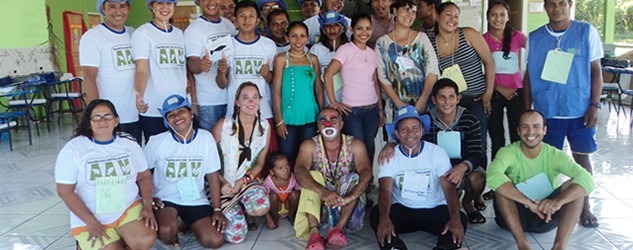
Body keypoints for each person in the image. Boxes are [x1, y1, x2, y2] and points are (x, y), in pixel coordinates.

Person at [523, 0, 603, 229]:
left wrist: (595, 105)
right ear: (545, 7)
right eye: (551, 4)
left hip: (579, 111)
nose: (557, 8)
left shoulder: (586, 32)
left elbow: (596, 70)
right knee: (545, 164)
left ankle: (584, 206)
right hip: (547, 112)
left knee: (582, 160)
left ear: (569, 5)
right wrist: (529, 110)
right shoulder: (535, 37)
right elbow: (528, 76)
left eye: (562, 3)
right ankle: (546, 206)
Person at [378, 79, 486, 225]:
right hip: (438, 170)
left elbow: (477, 153)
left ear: (458, 99)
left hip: (462, 167)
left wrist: (462, 167)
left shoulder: (470, 120)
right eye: (442, 97)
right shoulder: (427, 120)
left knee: (477, 178)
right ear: (434, 100)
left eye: (451, 97)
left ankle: (467, 203)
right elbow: (409, 138)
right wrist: (390, 145)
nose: (447, 102)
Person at [55, 99, 157, 250]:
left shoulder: (129, 144)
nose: (102, 121)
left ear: (116, 121)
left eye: (108, 116)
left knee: (145, 240)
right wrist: (90, 221)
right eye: (96, 117)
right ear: (89, 123)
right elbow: (64, 190)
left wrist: (148, 205)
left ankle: (123, 238)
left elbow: (144, 176)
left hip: (127, 209)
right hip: (92, 215)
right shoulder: (74, 149)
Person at [487, 110, 595, 250]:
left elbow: (587, 179)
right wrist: (528, 202)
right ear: (518, 131)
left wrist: (558, 202)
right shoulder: (508, 152)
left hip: (546, 214)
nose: (530, 131)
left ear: (544, 130)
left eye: (536, 126)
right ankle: (523, 244)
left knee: (575, 186)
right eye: (525, 126)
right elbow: (492, 176)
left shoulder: (555, 154)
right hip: (512, 215)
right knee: (501, 186)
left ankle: (559, 246)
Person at [371, 105, 466, 250]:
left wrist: (455, 219)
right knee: (377, 215)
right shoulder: (389, 156)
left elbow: (448, 187)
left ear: (422, 130)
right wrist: (385, 219)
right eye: (404, 129)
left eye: (415, 128)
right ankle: (395, 247)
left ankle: (445, 247)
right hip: (404, 209)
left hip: (435, 209)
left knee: (459, 218)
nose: (410, 133)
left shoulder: (437, 152)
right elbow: (385, 189)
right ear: (396, 133)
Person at [143, 95, 228, 248]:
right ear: (166, 121)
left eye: (181, 111)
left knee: (215, 240)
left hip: (195, 198)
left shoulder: (205, 138)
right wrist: (149, 199)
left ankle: (186, 222)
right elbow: (143, 174)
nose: (177, 117)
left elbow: (212, 176)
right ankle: (174, 227)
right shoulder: (157, 141)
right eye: (171, 115)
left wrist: (217, 209)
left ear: (191, 114)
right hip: (166, 199)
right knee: (166, 230)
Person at [294, 107, 372, 250]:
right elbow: (299, 171)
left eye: (333, 120)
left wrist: (350, 197)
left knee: (354, 177)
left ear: (341, 125)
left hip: (348, 210)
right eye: (323, 121)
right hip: (322, 209)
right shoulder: (310, 145)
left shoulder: (355, 144)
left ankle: (338, 229)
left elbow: (366, 173)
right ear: (318, 126)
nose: (328, 124)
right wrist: (322, 191)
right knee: (310, 176)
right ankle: (315, 233)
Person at [432, 2, 494, 164]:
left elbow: (489, 62)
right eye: (448, 15)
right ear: (437, 17)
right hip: (449, 101)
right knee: (452, 141)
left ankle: (478, 179)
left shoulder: (468, 34)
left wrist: (488, 93)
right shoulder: (432, 44)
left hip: (476, 98)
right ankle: (456, 182)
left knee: (479, 142)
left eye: (456, 16)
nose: (453, 19)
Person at [212, 83, 272, 243]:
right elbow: (208, 160)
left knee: (261, 207)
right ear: (237, 102)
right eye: (245, 97)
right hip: (221, 183)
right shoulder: (223, 125)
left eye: (255, 97)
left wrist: (243, 180)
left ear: (260, 101)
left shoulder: (264, 127)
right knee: (236, 237)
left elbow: (260, 162)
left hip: (244, 181)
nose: (251, 102)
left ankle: (243, 206)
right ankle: (232, 208)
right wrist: (222, 182)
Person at [324, 13, 385, 163]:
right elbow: (328, 75)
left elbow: (375, 81)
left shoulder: (372, 53)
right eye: (359, 28)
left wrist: (380, 109)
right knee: (356, 149)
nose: (364, 32)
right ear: (351, 29)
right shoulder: (345, 49)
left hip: (371, 109)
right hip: (352, 110)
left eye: (368, 29)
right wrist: (333, 102)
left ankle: (367, 183)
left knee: (369, 147)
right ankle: (354, 183)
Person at [216, 0, 277, 151]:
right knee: (236, 155)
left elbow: (274, 81)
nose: (247, 20)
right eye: (242, 16)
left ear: (257, 20)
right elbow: (222, 83)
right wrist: (222, 71)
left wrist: (267, 74)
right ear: (235, 20)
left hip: (263, 110)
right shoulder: (226, 45)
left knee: (265, 154)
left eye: (251, 16)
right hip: (235, 112)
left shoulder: (269, 45)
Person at [81, 0, 142, 143]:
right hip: (110, 119)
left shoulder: (134, 34)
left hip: (135, 114)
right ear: (103, 8)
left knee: (134, 158)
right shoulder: (93, 37)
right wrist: (95, 116)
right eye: (112, 7)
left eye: (122, 6)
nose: (118, 12)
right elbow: (89, 78)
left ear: (129, 8)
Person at [132, 0, 187, 143]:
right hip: (155, 108)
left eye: (169, 3)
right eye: (160, 3)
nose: (165, 8)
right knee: (157, 154)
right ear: (151, 6)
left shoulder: (180, 34)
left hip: (180, 107)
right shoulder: (143, 33)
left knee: (179, 152)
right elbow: (141, 70)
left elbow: (183, 70)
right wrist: (139, 95)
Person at [375, 0, 439, 114]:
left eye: (414, 12)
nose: (410, 15)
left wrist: (422, 101)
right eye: (406, 10)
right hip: (396, 108)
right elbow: (382, 76)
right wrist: (399, 104)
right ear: (395, 11)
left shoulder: (422, 38)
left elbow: (432, 70)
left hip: (425, 105)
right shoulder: (382, 43)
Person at [273, 21, 324, 163]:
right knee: (288, 157)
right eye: (294, 36)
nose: (298, 40)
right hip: (287, 118)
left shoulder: (312, 59)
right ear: (287, 38)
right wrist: (279, 120)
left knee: (308, 158)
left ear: (308, 38)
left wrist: (321, 115)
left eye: (302, 36)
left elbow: (318, 88)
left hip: (311, 116)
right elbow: (276, 90)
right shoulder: (282, 59)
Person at [484, 1, 527, 160]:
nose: (498, 19)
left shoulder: (517, 36)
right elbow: (479, 70)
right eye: (494, 15)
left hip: (517, 92)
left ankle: (518, 173)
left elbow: (534, 51)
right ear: (488, 17)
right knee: (497, 137)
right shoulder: (483, 40)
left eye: (502, 15)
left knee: (518, 134)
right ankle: (498, 177)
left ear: (508, 18)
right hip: (494, 92)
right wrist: (497, 87)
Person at [185, 0, 236, 132]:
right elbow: (191, 64)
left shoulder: (229, 25)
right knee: (211, 146)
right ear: (199, 2)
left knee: (230, 147)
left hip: (232, 98)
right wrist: (201, 64)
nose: (212, 2)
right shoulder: (194, 29)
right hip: (208, 102)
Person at [309, 10, 349, 105]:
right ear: (323, 29)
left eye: (335, 25)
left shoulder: (350, 48)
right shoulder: (316, 49)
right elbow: (313, 79)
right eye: (328, 26)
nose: (332, 29)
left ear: (342, 28)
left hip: (348, 101)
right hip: (326, 101)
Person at [263, 152, 301, 230]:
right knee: (272, 196)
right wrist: (268, 218)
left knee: (296, 194)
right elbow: (263, 200)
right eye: (280, 168)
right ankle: (275, 217)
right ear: (272, 172)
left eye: (287, 166)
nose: (285, 170)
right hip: (277, 208)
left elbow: (301, 191)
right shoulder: (268, 182)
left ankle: (291, 215)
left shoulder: (293, 178)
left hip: (289, 207)